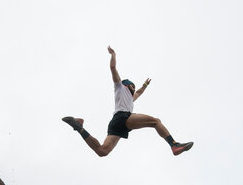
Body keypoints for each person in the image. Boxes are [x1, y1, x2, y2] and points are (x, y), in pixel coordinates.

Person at [62, 46, 193, 157]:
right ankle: (173, 145)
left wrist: (144, 86)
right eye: (132, 85)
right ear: (126, 85)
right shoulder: (120, 87)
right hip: (123, 117)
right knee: (156, 121)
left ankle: (79, 127)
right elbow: (113, 68)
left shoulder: (130, 97)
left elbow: (139, 92)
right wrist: (113, 54)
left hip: (116, 125)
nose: (134, 88)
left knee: (102, 151)